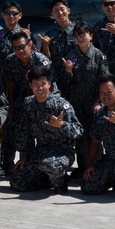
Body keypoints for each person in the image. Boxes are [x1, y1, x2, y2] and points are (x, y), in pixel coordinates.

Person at [10, 65, 82, 194]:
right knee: (17, 181)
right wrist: (24, 156)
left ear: (49, 84)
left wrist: (62, 125)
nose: (40, 88)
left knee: (51, 166)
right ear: (30, 86)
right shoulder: (28, 104)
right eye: (36, 84)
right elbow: (23, 132)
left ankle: (60, 182)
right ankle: (50, 180)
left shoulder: (61, 104)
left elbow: (78, 131)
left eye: (43, 84)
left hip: (63, 152)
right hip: (41, 151)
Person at [59, 21, 110, 180]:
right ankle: (82, 168)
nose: (80, 38)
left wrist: (99, 102)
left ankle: (96, 166)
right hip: (76, 103)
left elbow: (104, 81)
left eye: (83, 34)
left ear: (91, 36)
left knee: (93, 136)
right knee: (79, 136)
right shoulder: (71, 55)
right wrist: (67, 71)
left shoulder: (99, 56)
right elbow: (66, 84)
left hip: (93, 103)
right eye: (77, 36)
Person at [0, 31, 54, 176]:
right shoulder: (10, 60)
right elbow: (10, 85)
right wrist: (11, 108)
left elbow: (51, 86)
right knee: (10, 128)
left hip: (44, 100)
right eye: (16, 48)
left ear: (30, 44)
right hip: (22, 101)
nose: (20, 51)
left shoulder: (41, 60)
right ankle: (9, 163)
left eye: (22, 47)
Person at [0, 1, 41, 75]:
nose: (11, 16)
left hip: (22, 79)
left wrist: (28, 39)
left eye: (14, 13)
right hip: (2, 79)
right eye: (7, 13)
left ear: (20, 15)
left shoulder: (25, 34)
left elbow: (36, 56)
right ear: (3, 15)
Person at [39, 0, 76, 95]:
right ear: (52, 14)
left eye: (62, 9)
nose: (60, 13)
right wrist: (46, 45)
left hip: (76, 80)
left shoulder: (79, 31)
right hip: (57, 82)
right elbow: (46, 59)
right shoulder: (50, 34)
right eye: (56, 11)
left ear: (68, 11)